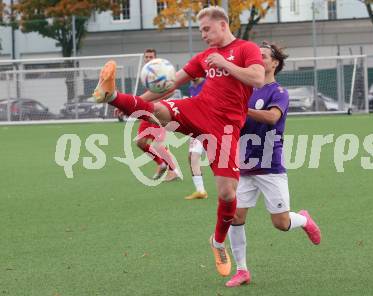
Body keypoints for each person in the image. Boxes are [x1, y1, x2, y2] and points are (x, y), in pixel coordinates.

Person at [92, 6, 265, 277]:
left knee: (228, 194)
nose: (204, 35)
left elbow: (258, 77)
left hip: (226, 129)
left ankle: (217, 242)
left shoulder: (246, 49)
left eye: (207, 29)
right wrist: (135, 101)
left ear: (222, 24)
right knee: (160, 110)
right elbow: (170, 83)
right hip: (199, 108)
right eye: (201, 31)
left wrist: (226, 64)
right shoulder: (205, 56)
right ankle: (111, 94)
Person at [225, 42, 322, 287]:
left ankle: (303, 220)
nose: (258, 59)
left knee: (281, 224)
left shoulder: (279, 92)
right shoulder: (246, 89)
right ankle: (242, 270)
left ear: (274, 63)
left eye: (263, 56)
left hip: (270, 166)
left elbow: (272, 117)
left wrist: (242, 110)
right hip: (245, 165)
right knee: (235, 217)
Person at [115, 48, 182, 181]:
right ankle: (162, 164)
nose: (148, 59)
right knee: (141, 143)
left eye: (151, 57)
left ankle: (173, 170)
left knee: (158, 144)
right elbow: (147, 96)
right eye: (146, 57)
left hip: (159, 112)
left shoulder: (161, 72)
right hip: (148, 111)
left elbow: (170, 91)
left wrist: (144, 103)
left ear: (156, 59)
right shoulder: (147, 74)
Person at [184, 78, 208, 200]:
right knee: (193, 156)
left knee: (222, 160)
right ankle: (200, 190)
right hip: (197, 127)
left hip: (212, 126)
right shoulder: (192, 87)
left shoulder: (209, 83)